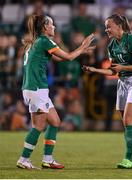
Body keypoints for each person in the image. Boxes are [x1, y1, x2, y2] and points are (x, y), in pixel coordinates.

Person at [16, 14, 95, 170]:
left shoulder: (35, 42)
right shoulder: (44, 41)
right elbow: (68, 57)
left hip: (34, 89)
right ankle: (23, 159)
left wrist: (80, 51)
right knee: (38, 126)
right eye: (52, 24)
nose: (54, 27)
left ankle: (47, 159)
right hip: (36, 88)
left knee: (55, 121)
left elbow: (60, 58)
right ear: (45, 26)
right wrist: (82, 47)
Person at [83, 14, 132, 169]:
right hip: (122, 82)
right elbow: (113, 71)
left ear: (119, 26)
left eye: (109, 26)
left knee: (128, 121)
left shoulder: (131, 40)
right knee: (127, 124)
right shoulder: (111, 45)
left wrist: (123, 68)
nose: (107, 29)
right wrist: (95, 70)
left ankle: (127, 159)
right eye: (106, 27)